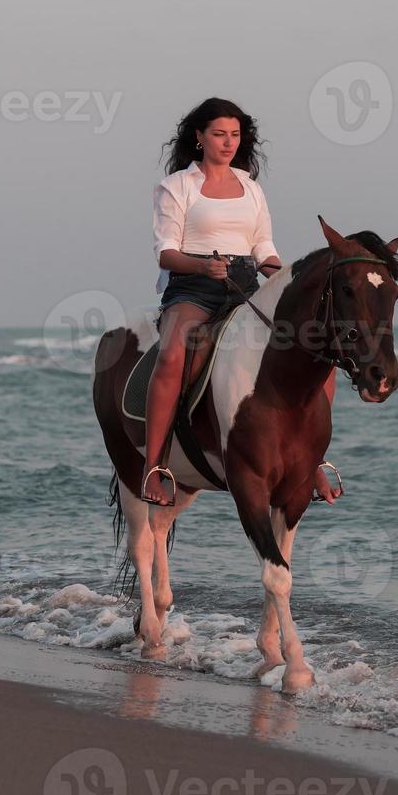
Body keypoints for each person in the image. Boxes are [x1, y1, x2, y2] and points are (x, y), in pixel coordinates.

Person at [143, 97, 342, 507]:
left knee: (317, 351)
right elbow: (166, 252)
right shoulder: (177, 187)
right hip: (192, 287)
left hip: (246, 285)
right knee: (172, 355)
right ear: (199, 137)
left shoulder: (251, 188)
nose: (228, 142)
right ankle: (155, 467)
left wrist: (280, 273)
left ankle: (315, 460)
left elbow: (262, 245)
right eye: (219, 134)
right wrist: (203, 268)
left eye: (234, 135)